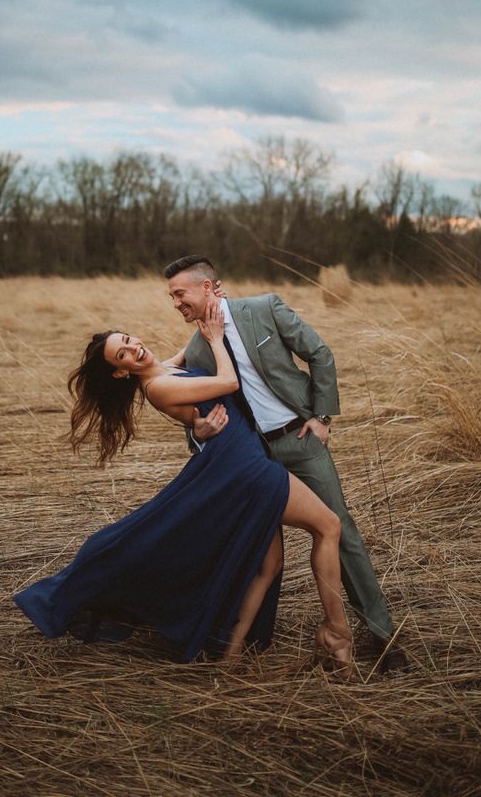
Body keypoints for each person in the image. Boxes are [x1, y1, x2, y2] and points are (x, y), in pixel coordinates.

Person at [14, 302, 353, 675]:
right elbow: (228, 382)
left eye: (127, 340)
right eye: (122, 354)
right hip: (247, 469)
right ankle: (337, 633)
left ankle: (231, 657)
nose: (133, 348)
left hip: (239, 464)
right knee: (329, 526)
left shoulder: (165, 368)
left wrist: (212, 304)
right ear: (119, 372)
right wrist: (218, 340)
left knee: (268, 567)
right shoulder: (157, 386)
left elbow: (192, 347)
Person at [164, 254, 407, 675]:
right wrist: (196, 433)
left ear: (207, 287)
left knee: (339, 528)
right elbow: (190, 402)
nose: (175, 303)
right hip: (255, 458)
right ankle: (240, 640)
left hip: (300, 440)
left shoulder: (263, 308)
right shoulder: (198, 348)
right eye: (171, 297)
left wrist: (321, 416)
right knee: (259, 549)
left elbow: (319, 353)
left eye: (179, 293)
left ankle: (382, 633)